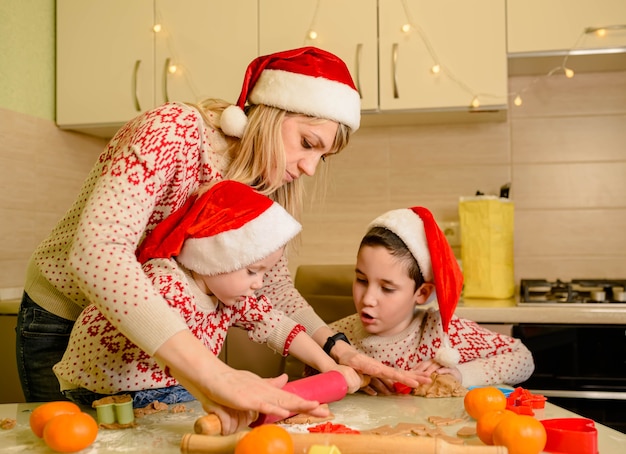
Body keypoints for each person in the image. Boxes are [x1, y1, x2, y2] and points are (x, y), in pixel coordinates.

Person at [16, 46, 428, 429]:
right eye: (307, 143)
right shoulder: (173, 131)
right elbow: (98, 252)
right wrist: (212, 373)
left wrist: (339, 352)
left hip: (150, 348)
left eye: (323, 156)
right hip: (66, 318)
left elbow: (274, 291)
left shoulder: (264, 181)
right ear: (271, 111)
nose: (310, 168)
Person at [53, 180, 361, 433]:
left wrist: (329, 365)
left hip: (163, 384)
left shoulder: (229, 293)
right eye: (252, 271)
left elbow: (277, 324)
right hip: (108, 392)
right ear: (215, 257)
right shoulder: (167, 285)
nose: (258, 283)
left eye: (264, 273)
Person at [330, 206, 535, 394]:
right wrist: (343, 375)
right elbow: (306, 368)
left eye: (387, 288)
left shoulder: (441, 333)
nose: (368, 299)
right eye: (361, 280)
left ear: (422, 293)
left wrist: (461, 374)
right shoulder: (336, 337)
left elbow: (522, 358)